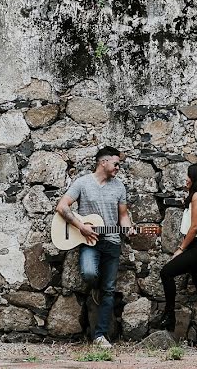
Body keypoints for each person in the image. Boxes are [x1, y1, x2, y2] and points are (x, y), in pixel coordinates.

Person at [55, 146, 131, 349]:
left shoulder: (119, 187)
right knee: (89, 273)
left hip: (112, 242)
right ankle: (95, 288)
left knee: (109, 290)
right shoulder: (82, 183)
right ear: (103, 162)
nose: (118, 168)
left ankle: (100, 336)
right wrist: (81, 227)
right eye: (116, 164)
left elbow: (123, 216)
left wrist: (128, 229)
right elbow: (62, 207)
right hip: (89, 241)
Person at [158, 163, 197, 345]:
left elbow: (195, 227)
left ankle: (169, 315)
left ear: (196, 179)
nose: (186, 178)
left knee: (166, 272)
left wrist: (181, 249)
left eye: (189, 176)